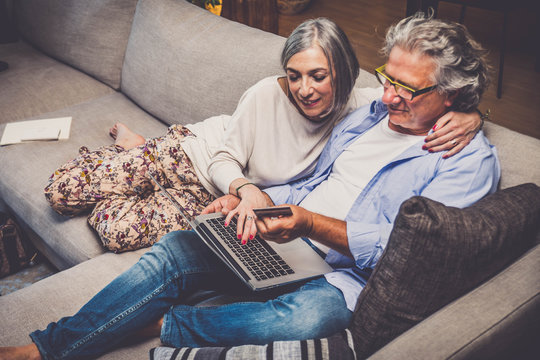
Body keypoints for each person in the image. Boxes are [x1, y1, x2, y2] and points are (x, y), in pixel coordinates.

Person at [0, 13, 499, 360]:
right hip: (280, 224)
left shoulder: (465, 161)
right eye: (387, 78)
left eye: (407, 89)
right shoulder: (368, 108)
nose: (390, 95)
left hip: (340, 275)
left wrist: (474, 115)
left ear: (452, 91)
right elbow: (308, 171)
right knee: (176, 250)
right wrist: (257, 201)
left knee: (306, 323)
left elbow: (414, 251)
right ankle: (44, 349)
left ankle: (168, 326)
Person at [43, 17, 482, 252]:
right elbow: (222, 160)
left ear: (343, 73)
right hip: (195, 154)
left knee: (115, 230)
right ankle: (138, 150)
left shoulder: (364, 104)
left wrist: (470, 115)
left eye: (317, 76)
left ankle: (132, 155)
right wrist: (248, 189)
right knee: (62, 193)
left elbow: (421, 94)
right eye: (294, 75)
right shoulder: (264, 96)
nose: (304, 89)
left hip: (209, 197)